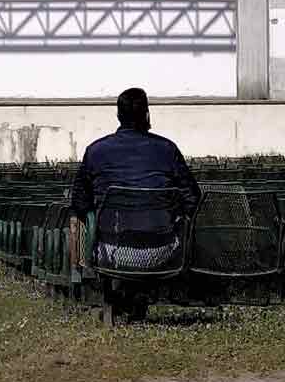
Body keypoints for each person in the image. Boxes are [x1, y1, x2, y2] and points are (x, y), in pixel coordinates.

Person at [68, 87, 202, 274]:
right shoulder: (168, 149)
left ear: (118, 116)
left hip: (110, 252)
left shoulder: (95, 151)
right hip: (162, 251)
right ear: (147, 114)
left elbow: (79, 202)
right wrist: (175, 217)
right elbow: (193, 198)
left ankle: (88, 275)